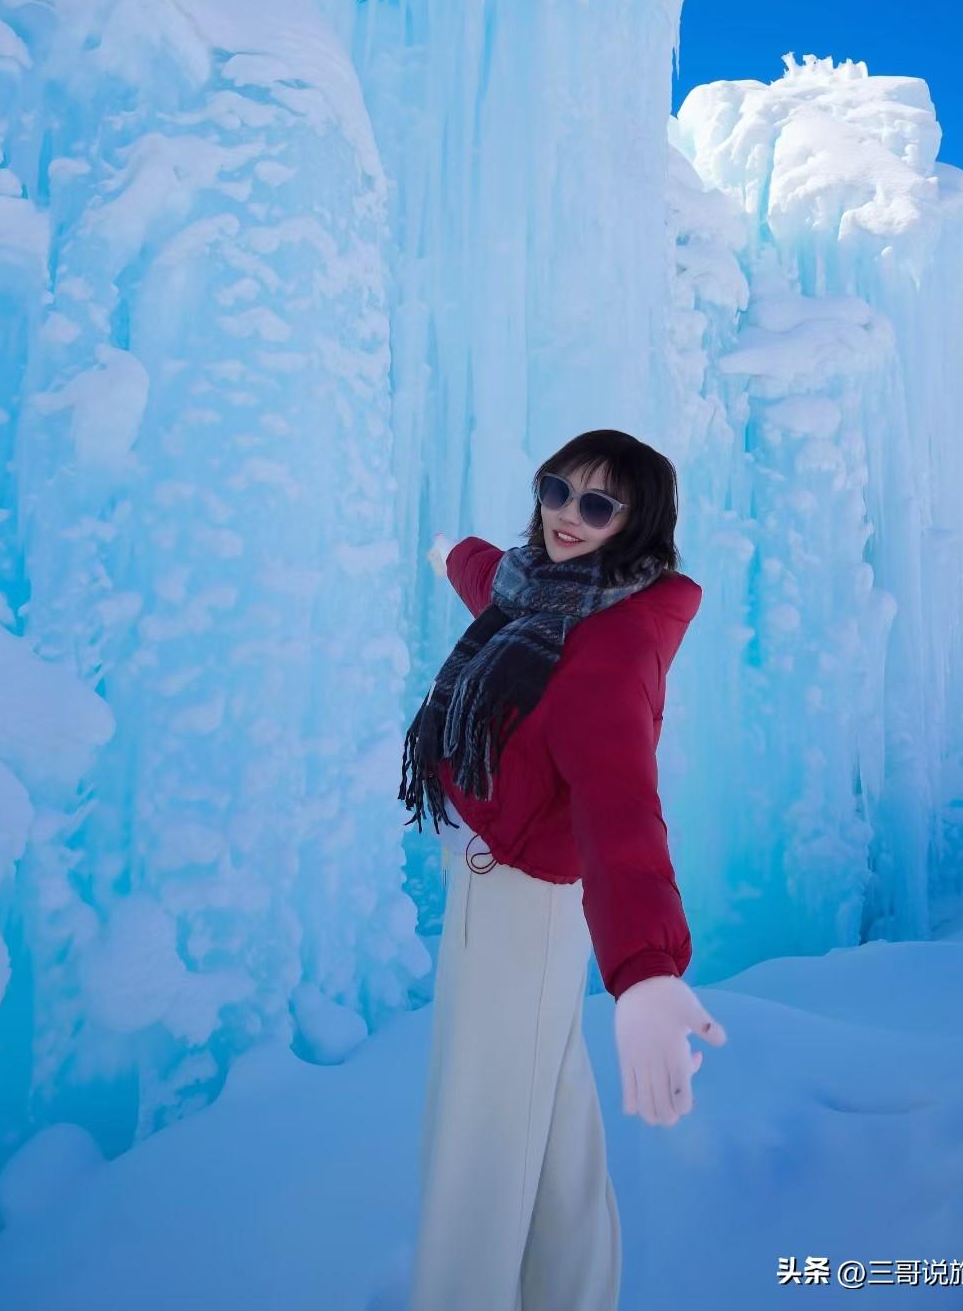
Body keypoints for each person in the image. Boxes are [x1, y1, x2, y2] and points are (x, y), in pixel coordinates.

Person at [399, 429, 728, 1311]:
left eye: (597, 504)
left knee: (482, 1142)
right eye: (556, 490)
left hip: (525, 909)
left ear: (638, 525)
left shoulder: (609, 645)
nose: (566, 517)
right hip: (499, 888)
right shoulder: (541, 596)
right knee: (549, 1132)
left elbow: (622, 814)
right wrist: (449, 554)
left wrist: (647, 973)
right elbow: (490, 581)